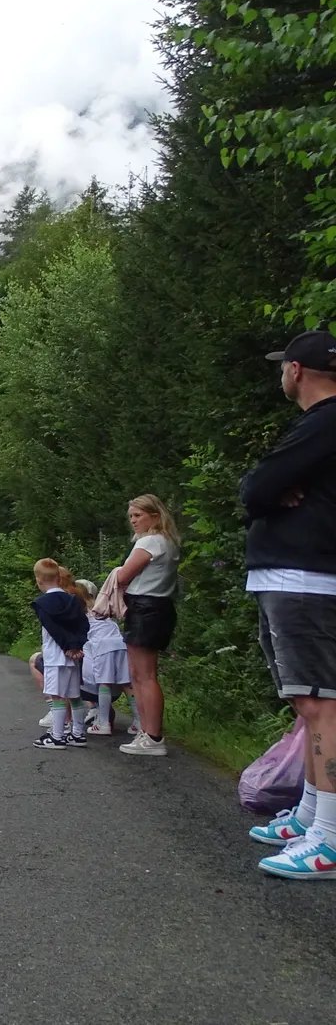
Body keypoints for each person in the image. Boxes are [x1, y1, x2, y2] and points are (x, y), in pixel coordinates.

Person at [238, 330, 336, 879]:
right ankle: (312, 815)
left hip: (307, 581)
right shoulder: (317, 429)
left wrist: (270, 489)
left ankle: (329, 838)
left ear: (296, 371)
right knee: (311, 703)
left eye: (283, 366)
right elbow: (262, 486)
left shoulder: (323, 422)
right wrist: (270, 487)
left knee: (322, 704)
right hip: (297, 579)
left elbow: (254, 490)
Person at [112, 495, 180, 758]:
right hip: (157, 607)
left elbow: (123, 575)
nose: (133, 521)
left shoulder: (151, 541)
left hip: (145, 608)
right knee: (140, 673)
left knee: (144, 675)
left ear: (154, 515)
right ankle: (147, 732)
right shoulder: (168, 542)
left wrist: (117, 573)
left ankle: (152, 736)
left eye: (138, 515)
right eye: (131, 516)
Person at [31, 559, 90, 750]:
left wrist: (67, 646)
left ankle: (57, 736)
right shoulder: (72, 599)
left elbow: (53, 628)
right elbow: (84, 624)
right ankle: (78, 734)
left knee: (56, 696)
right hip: (73, 657)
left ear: (39, 580)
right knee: (74, 696)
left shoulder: (42, 603)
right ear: (58, 577)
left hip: (56, 656)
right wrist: (77, 645)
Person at [76, 579, 131, 736]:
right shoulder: (100, 606)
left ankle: (103, 722)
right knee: (127, 684)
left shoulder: (80, 611)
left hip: (102, 647)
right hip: (120, 644)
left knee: (103, 682)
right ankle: (139, 722)